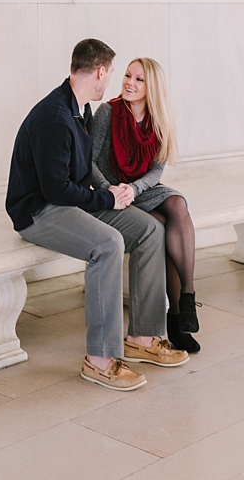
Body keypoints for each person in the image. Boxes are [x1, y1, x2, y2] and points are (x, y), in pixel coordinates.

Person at [4, 38, 187, 391]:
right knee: (108, 244)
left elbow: (79, 176)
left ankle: (144, 337)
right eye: (114, 73)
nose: (115, 81)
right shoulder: (54, 117)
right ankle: (100, 358)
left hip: (70, 202)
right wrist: (106, 198)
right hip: (38, 210)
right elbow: (56, 190)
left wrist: (116, 193)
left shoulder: (81, 109)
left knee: (151, 231)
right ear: (101, 71)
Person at [90, 57, 199, 352]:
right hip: (114, 191)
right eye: (127, 75)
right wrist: (110, 189)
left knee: (177, 205)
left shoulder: (158, 118)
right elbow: (90, 163)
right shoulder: (107, 113)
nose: (129, 82)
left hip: (141, 187)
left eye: (139, 79)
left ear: (152, 87)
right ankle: (175, 319)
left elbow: (157, 171)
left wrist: (134, 188)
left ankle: (185, 302)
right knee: (163, 228)